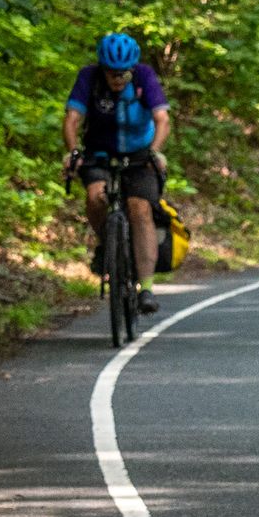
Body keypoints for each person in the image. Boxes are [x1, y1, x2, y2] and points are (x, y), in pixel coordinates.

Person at [64, 32, 171, 314]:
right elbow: (72, 119)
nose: (117, 79)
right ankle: (106, 244)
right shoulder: (89, 78)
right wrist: (73, 151)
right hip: (99, 152)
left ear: (131, 70)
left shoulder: (144, 77)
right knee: (96, 196)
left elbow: (162, 119)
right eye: (111, 73)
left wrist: (155, 151)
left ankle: (146, 288)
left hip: (139, 154)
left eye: (122, 74)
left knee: (140, 209)